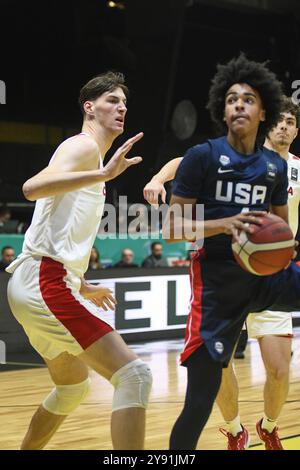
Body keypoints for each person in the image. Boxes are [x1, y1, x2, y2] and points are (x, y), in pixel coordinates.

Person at [145, 52, 300, 450]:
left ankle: (269, 424)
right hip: (217, 280)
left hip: (266, 273)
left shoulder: (278, 167)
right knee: (205, 388)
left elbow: (280, 230)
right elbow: (174, 224)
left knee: (279, 369)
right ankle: (231, 431)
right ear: (221, 107)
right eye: (231, 99)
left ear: (263, 110)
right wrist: (223, 224)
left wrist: (283, 248)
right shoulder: (205, 155)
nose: (238, 105)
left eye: (248, 99)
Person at [6, 72, 152, 450]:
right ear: (89, 107)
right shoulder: (83, 147)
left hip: (46, 279)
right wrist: (102, 173)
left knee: (71, 389)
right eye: (111, 101)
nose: (121, 107)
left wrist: (82, 283)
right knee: (134, 376)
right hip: (43, 280)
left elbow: (59, 228)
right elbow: (31, 188)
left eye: (124, 103)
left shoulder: (93, 158)